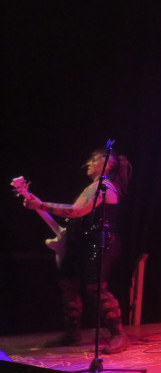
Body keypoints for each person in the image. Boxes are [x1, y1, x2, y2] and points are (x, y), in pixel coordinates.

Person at [23, 147, 133, 354]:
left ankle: (119, 334)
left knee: (95, 288)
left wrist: (41, 205)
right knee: (68, 284)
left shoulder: (103, 187)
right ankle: (72, 334)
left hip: (99, 241)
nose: (88, 164)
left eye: (93, 160)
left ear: (107, 164)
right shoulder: (93, 187)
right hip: (81, 241)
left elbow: (76, 211)